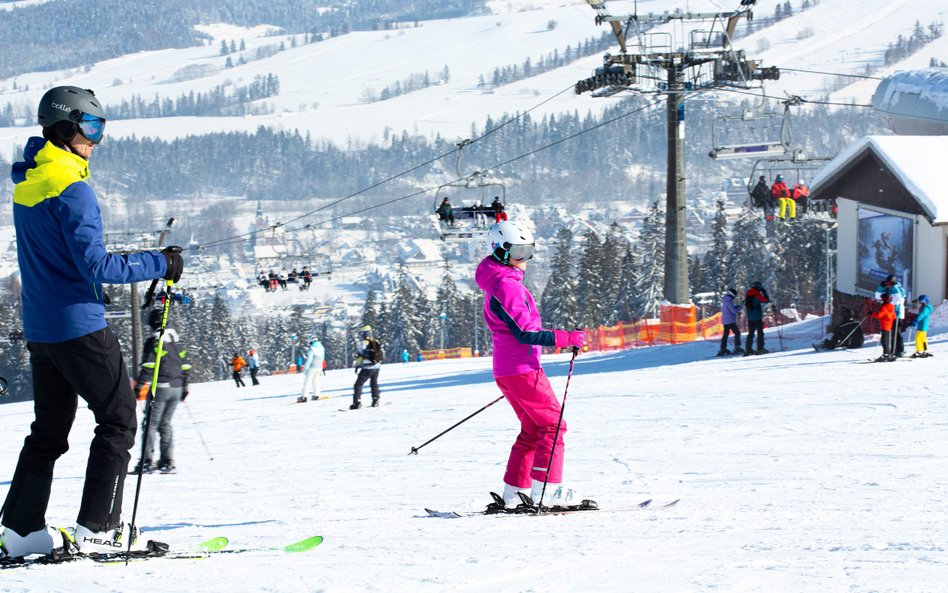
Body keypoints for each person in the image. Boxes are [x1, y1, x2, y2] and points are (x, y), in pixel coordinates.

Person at [1, 86, 183, 557]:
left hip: (41, 329)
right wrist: (160, 263)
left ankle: (21, 532)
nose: (97, 140)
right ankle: (100, 527)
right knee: (119, 421)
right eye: (93, 127)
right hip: (79, 327)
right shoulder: (73, 187)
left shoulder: (30, 181)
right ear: (67, 127)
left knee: (48, 430)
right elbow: (97, 266)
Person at [475, 220, 587, 510]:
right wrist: (567, 338)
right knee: (553, 426)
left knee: (533, 429)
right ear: (500, 251)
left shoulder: (500, 281)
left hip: (511, 369)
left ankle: (515, 493)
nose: (526, 259)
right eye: (520, 252)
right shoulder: (505, 285)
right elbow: (524, 332)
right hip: (521, 369)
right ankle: (548, 491)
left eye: (529, 250)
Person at [130, 309, 191, 475]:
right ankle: (167, 461)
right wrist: (185, 385)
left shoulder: (155, 340)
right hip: (177, 388)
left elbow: (149, 365)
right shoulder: (176, 340)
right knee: (164, 424)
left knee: (150, 424)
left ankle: (146, 461)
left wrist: (138, 386)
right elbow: (185, 364)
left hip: (161, 388)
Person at [350, 326, 383, 409]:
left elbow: (359, 355)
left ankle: (357, 402)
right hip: (376, 366)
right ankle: (375, 400)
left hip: (367, 367)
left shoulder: (363, 343)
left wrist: (357, 364)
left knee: (358, 384)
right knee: (374, 383)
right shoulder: (375, 341)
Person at [874, 274, 906, 357]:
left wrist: (894, 287)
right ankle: (891, 351)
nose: (889, 285)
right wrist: (881, 287)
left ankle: (900, 350)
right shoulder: (888, 289)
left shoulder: (899, 289)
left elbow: (900, 299)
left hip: (897, 315)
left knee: (896, 333)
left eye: (891, 283)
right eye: (888, 283)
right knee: (890, 334)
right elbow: (878, 296)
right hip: (889, 315)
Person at [744, 281, 770, 355]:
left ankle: (748, 350)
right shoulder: (756, 295)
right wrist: (764, 292)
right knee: (760, 333)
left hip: (750, 317)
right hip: (757, 317)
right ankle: (760, 348)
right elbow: (767, 301)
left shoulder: (747, 294)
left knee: (750, 334)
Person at [298, 338, 326, 402]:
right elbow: (323, 358)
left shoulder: (312, 349)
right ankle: (316, 395)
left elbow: (309, 360)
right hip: (319, 367)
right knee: (316, 381)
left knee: (307, 382)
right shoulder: (322, 348)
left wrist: (305, 369)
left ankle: (304, 396)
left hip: (312, 367)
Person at [871, 293, 897, 362]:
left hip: (884, 326)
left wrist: (872, 313)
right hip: (889, 325)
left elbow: (879, 315)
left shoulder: (884, 307)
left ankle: (886, 355)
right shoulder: (891, 306)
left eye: (882, 299)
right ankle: (889, 354)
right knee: (887, 341)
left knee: (884, 341)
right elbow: (894, 317)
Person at [718, 288, 744, 356]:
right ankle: (737, 347)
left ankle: (723, 348)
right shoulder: (728, 301)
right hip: (730, 320)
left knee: (725, 335)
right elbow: (733, 311)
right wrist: (740, 307)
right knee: (737, 333)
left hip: (725, 320)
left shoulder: (725, 300)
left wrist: (736, 306)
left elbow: (730, 308)